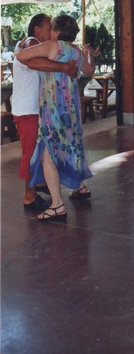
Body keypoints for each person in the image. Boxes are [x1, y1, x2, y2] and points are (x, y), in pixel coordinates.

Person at [16, 15, 96, 222]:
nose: (49, 32)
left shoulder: (53, 46)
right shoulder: (76, 51)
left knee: (47, 155)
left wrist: (49, 63)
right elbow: (90, 70)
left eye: (51, 28)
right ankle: (77, 188)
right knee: (69, 149)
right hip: (71, 110)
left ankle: (57, 204)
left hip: (53, 109)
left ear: (57, 32)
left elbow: (21, 56)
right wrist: (88, 54)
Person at [12, 13, 77, 210]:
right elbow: (32, 63)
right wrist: (64, 67)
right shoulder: (31, 42)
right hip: (27, 110)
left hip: (32, 108)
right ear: (37, 29)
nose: (51, 33)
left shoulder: (36, 45)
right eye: (49, 29)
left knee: (39, 150)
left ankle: (39, 184)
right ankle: (29, 196)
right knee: (31, 152)